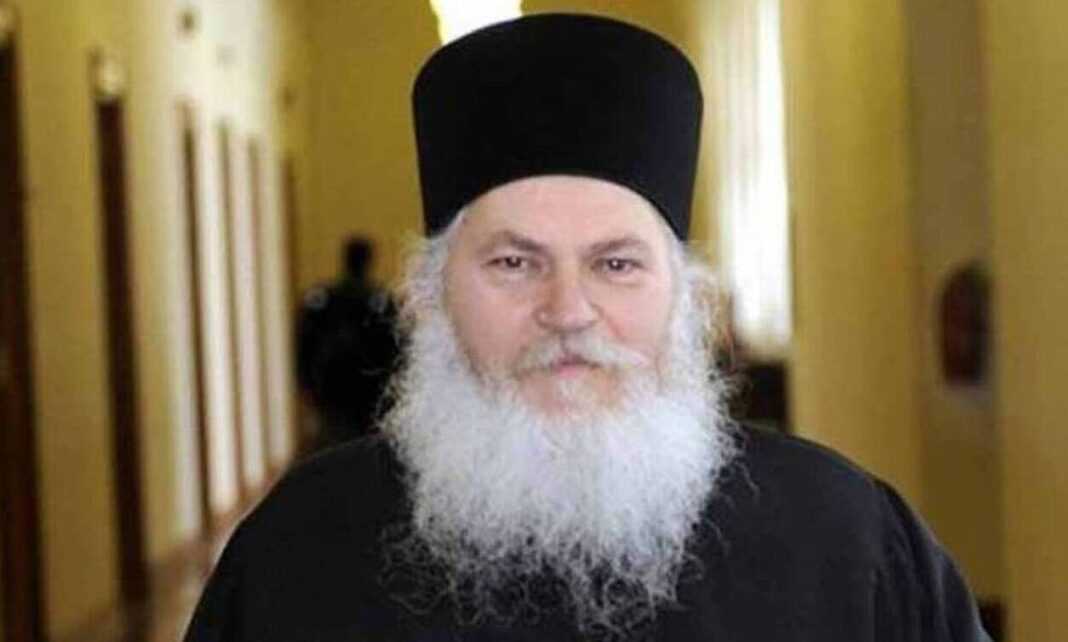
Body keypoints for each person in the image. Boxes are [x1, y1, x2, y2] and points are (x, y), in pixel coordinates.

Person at [185, 14, 991, 641]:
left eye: (616, 264)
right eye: (514, 263)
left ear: (687, 300)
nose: (568, 312)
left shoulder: (848, 541)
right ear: (428, 298)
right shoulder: (299, 553)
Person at [295, 237, 400, 448]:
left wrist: (306, 381)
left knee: (337, 438)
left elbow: (305, 343)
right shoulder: (377, 299)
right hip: (353, 383)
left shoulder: (325, 298)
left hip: (339, 382)